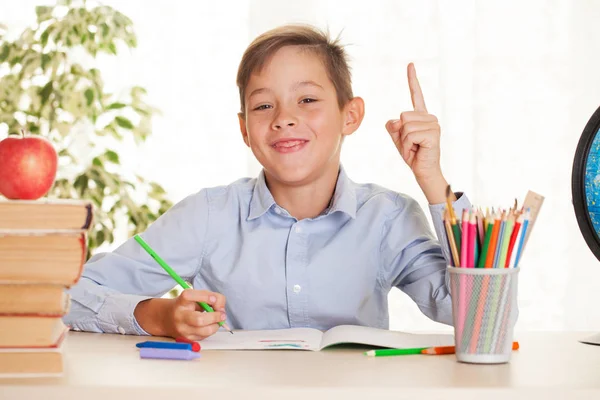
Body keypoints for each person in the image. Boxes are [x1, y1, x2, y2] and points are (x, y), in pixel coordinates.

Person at [64, 24, 470, 341]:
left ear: (351, 115)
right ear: (245, 129)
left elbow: (478, 318)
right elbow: (68, 294)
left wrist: (431, 177)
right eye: (263, 105)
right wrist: (159, 315)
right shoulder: (209, 216)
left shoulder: (388, 218)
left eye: (307, 100)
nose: (283, 117)